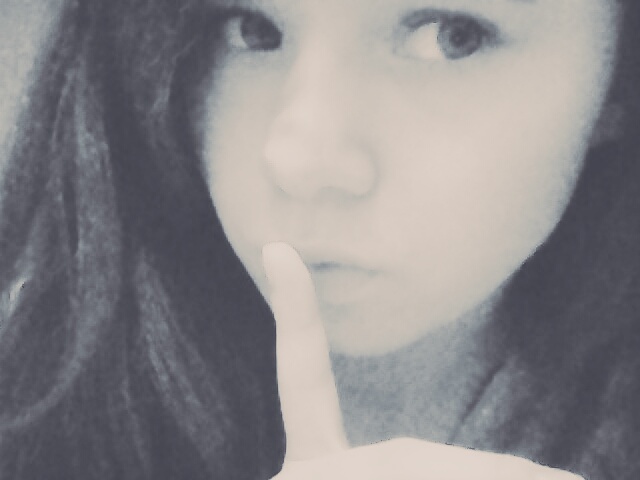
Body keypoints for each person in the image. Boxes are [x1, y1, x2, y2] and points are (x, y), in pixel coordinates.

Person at [1, 0, 639, 478]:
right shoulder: (31, 402)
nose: (301, 161)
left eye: (452, 36)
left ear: (619, 76)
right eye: (252, 29)